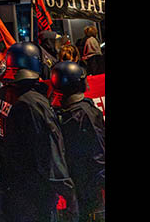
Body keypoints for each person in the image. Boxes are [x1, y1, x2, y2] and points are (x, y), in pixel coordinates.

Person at [0, 41, 77, 222]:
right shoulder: (34, 104)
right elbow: (50, 151)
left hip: (9, 186)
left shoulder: (1, 95)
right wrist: (67, 191)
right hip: (34, 193)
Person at [52, 61, 105, 222]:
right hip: (90, 188)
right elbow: (98, 152)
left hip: (71, 186)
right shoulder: (86, 113)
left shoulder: (57, 113)